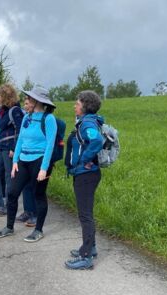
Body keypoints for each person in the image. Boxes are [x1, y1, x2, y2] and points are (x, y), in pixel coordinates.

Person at [0, 87, 57, 242]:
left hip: (40, 160)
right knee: (13, 193)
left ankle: (38, 230)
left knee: (38, 195)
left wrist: (44, 168)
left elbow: (50, 144)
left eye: (30, 98)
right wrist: (15, 161)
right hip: (23, 160)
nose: (27, 100)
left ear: (37, 101)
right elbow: (20, 139)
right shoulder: (27, 117)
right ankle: (9, 227)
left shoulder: (48, 119)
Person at [64, 90, 104, 270]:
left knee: (85, 215)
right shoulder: (87, 121)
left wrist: (84, 159)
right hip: (85, 174)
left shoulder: (87, 123)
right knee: (85, 213)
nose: (75, 105)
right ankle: (91, 247)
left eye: (77, 103)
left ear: (85, 106)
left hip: (86, 174)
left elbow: (96, 141)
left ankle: (86, 256)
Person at [0, 83, 24, 216]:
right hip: (1, 148)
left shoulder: (14, 110)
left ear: (4, 96)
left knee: (9, 178)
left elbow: (20, 130)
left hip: (9, 149)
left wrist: (14, 148)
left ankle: (9, 206)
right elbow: (4, 132)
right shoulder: (3, 110)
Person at [15, 98, 38, 227]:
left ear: (34, 104)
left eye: (27, 103)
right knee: (26, 186)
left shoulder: (45, 118)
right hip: (24, 156)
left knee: (35, 187)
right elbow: (21, 138)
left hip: (37, 158)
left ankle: (35, 214)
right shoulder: (27, 118)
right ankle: (28, 212)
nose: (24, 106)